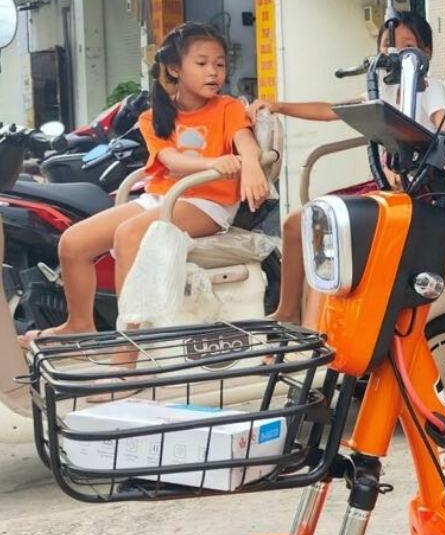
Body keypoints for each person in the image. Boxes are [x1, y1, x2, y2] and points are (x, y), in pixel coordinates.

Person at [21, 23, 269, 344]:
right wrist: (212, 163)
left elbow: (246, 142)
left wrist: (251, 164)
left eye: (220, 64)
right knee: (73, 243)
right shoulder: (153, 118)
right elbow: (172, 161)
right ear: (175, 69)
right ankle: (79, 324)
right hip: (163, 198)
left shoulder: (228, 107)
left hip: (208, 204)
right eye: (202, 63)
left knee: (129, 235)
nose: (213, 72)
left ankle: (131, 345)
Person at [250, 12, 445, 325]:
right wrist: (278, 106)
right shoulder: (380, 92)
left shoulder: (429, 88)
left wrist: (426, 156)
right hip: (385, 188)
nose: (396, 54)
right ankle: (288, 310)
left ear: (426, 53)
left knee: (330, 230)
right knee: (294, 223)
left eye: (407, 46)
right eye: (388, 46)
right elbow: (330, 110)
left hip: (421, 192)